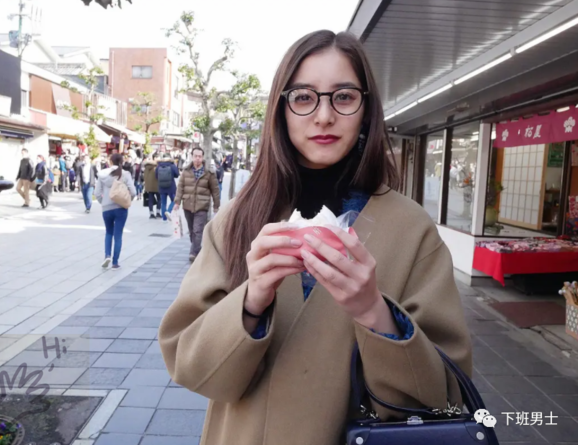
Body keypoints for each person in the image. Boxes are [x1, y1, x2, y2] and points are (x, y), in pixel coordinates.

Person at [158, 31, 471, 445]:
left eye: (343, 97)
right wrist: (251, 302)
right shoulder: (238, 218)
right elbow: (190, 367)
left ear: (366, 109)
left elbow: (445, 397)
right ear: (281, 110)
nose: (324, 116)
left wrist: (374, 313)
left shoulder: (411, 229)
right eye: (304, 97)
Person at [173, 147, 220, 262]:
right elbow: (180, 187)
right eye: (195, 156)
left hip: (202, 206)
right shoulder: (186, 171)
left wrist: (216, 206)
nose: (197, 159)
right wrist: (177, 202)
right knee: (191, 230)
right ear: (192, 157)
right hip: (188, 204)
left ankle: (194, 252)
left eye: (200, 156)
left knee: (197, 230)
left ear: (202, 157)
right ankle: (196, 247)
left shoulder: (209, 172)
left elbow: (215, 190)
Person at [94, 153, 136, 270]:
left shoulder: (102, 175)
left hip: (106, 208)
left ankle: (107, 255)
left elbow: (97, 193)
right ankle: (115, 261)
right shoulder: (125, 174)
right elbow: (133, 192)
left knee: (108, 232)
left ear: (110, 162)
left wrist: (103, 202)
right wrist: (127, 201)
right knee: (118, 235)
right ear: (122, 162)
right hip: (121, 208)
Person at [156, 153, 180, 222]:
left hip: (161, 186)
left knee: (163, 203)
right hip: (171, 186)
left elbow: (156, 176)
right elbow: (177, 174)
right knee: (174, 200)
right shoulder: (172, 165)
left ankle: (164, 218)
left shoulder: (159, 165)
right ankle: (169, 212)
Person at [144, 153, 161, 219]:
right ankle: (158, 213)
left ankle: (151, 214)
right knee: (159, 199)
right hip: (157, 185)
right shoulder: (158, 166)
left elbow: (145, 176)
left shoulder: (147, 166)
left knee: (150, 200)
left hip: (149, 186)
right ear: (155, 158)